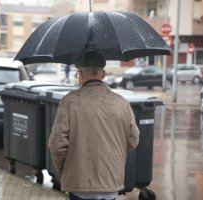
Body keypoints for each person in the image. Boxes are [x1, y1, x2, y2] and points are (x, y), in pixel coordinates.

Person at [48, 51, 140, 200]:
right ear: (103, 74)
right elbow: (133, 139)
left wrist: (66, 170)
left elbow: (57, 145)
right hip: (111, 183)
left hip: (79, 185)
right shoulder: (121, 102)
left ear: (80, 74)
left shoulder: (69, 101)